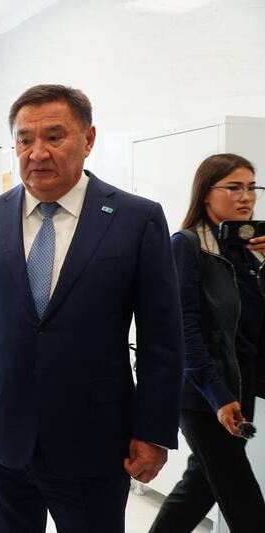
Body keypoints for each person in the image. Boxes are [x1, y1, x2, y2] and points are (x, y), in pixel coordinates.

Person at [0, 84, 184, 533]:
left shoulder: (136, 219)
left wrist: (154, 430)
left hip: (94, 437)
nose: (38, 153)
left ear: (88, 139)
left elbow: (162, 339)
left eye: (54, 137)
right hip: (3, 435)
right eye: (25, 140)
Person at [149, 153, 265, 533]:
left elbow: (255, 324)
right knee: (243, 499)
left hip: (240, 383)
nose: (246, 196)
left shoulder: (247, 251)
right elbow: (184, 330)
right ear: (205, 193)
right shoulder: (186, 246)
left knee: (198, 489)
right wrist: (218, 396)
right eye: (234, 187)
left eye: (252, 187)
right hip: (203, 393)